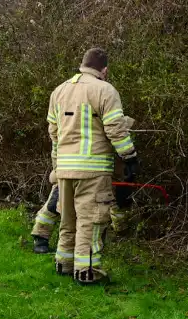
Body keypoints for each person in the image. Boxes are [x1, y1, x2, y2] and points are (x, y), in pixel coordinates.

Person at [46, 47, 138, 284]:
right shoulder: (105, 91)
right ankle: (87, 272)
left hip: (65, 169)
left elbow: (54, 133)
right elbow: (115, 128)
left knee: (68, 220)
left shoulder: (59, 91)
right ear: (104, 69)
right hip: (93, 169)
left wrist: (56, 167)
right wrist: (129, 156)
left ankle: (63, 263)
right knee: (92, 220)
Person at [31, 174, 134, 254]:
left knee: (104, 207)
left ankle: (116, 237)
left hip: (98, 177)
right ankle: (40, 238)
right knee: (53, 205)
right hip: (67, 173)